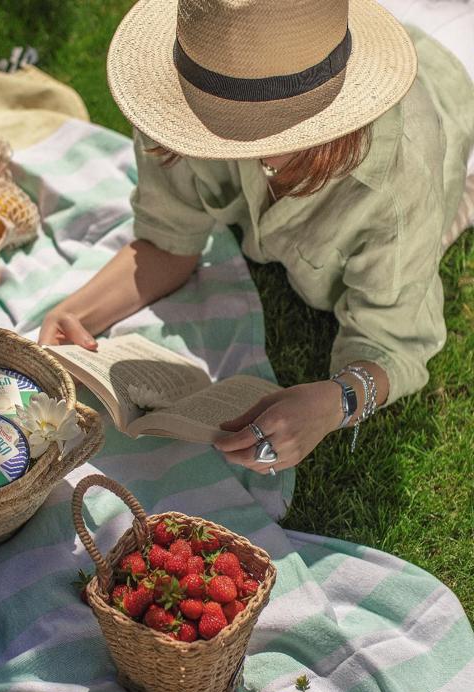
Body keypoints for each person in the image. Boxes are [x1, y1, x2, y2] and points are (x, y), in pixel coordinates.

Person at [38, 0, 474, 475]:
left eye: (241, 127)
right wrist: (76, 313)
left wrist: (333, 403)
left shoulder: (397, 182)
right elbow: (168, 240)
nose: (208, 138)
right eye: (207, 118)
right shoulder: (193, 82)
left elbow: (392, 343)